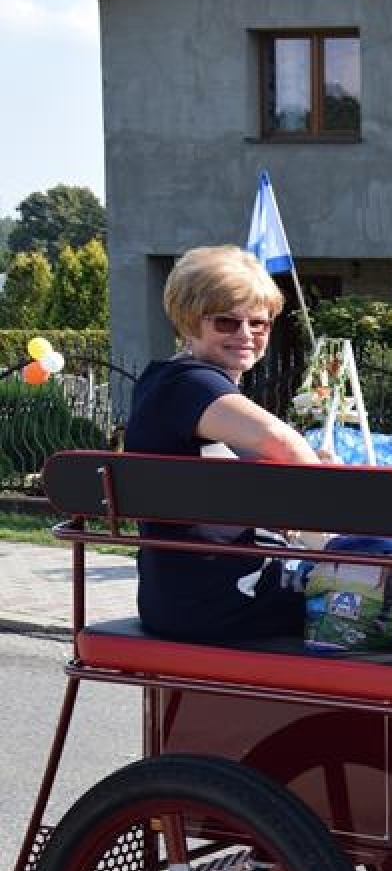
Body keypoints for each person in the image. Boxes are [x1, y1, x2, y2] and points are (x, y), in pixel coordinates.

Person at [125, 245, 327, 642]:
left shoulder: (163, 382)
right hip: (226, 600)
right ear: (187, 322)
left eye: (260, 323)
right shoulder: (191, 385)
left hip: (177, 599)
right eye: (226, 322)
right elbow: (285, 447)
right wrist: (336, 539)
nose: (246, 334)